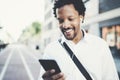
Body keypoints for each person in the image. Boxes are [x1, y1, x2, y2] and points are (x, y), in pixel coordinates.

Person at [38, 0, 119, 80]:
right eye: (60, 20)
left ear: (81, 16)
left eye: (70, 19)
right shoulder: (51, 49)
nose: (65, 26)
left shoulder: (100, 46)